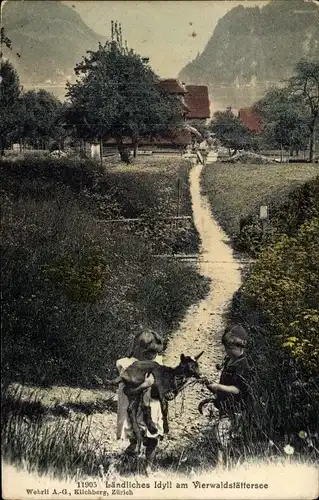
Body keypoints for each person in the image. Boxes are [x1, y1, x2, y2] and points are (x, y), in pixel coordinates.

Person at [199, 324, 251, 465]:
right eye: (226, 348)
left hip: (236, 408)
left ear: (240, 347)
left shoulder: (242, 365)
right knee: (222, 436)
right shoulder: (229, 361)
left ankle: (223, 467)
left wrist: (219, 387)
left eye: (229, 348)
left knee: (225, 436)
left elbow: (238, 390)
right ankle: (223, 465)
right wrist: (212, 386)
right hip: (225, 407)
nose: (226, 351)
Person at [116, 329, 164, 464]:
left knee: (153, 437)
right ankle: (131, 457)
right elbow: (128, 390)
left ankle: (149, 465)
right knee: (135, 434)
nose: (153, 356)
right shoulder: (127, 366)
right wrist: (146, 384)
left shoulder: (156, 363)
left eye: (156, 353)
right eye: (149, 353)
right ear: (139, 350)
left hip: (152, 405)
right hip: (135, 407)